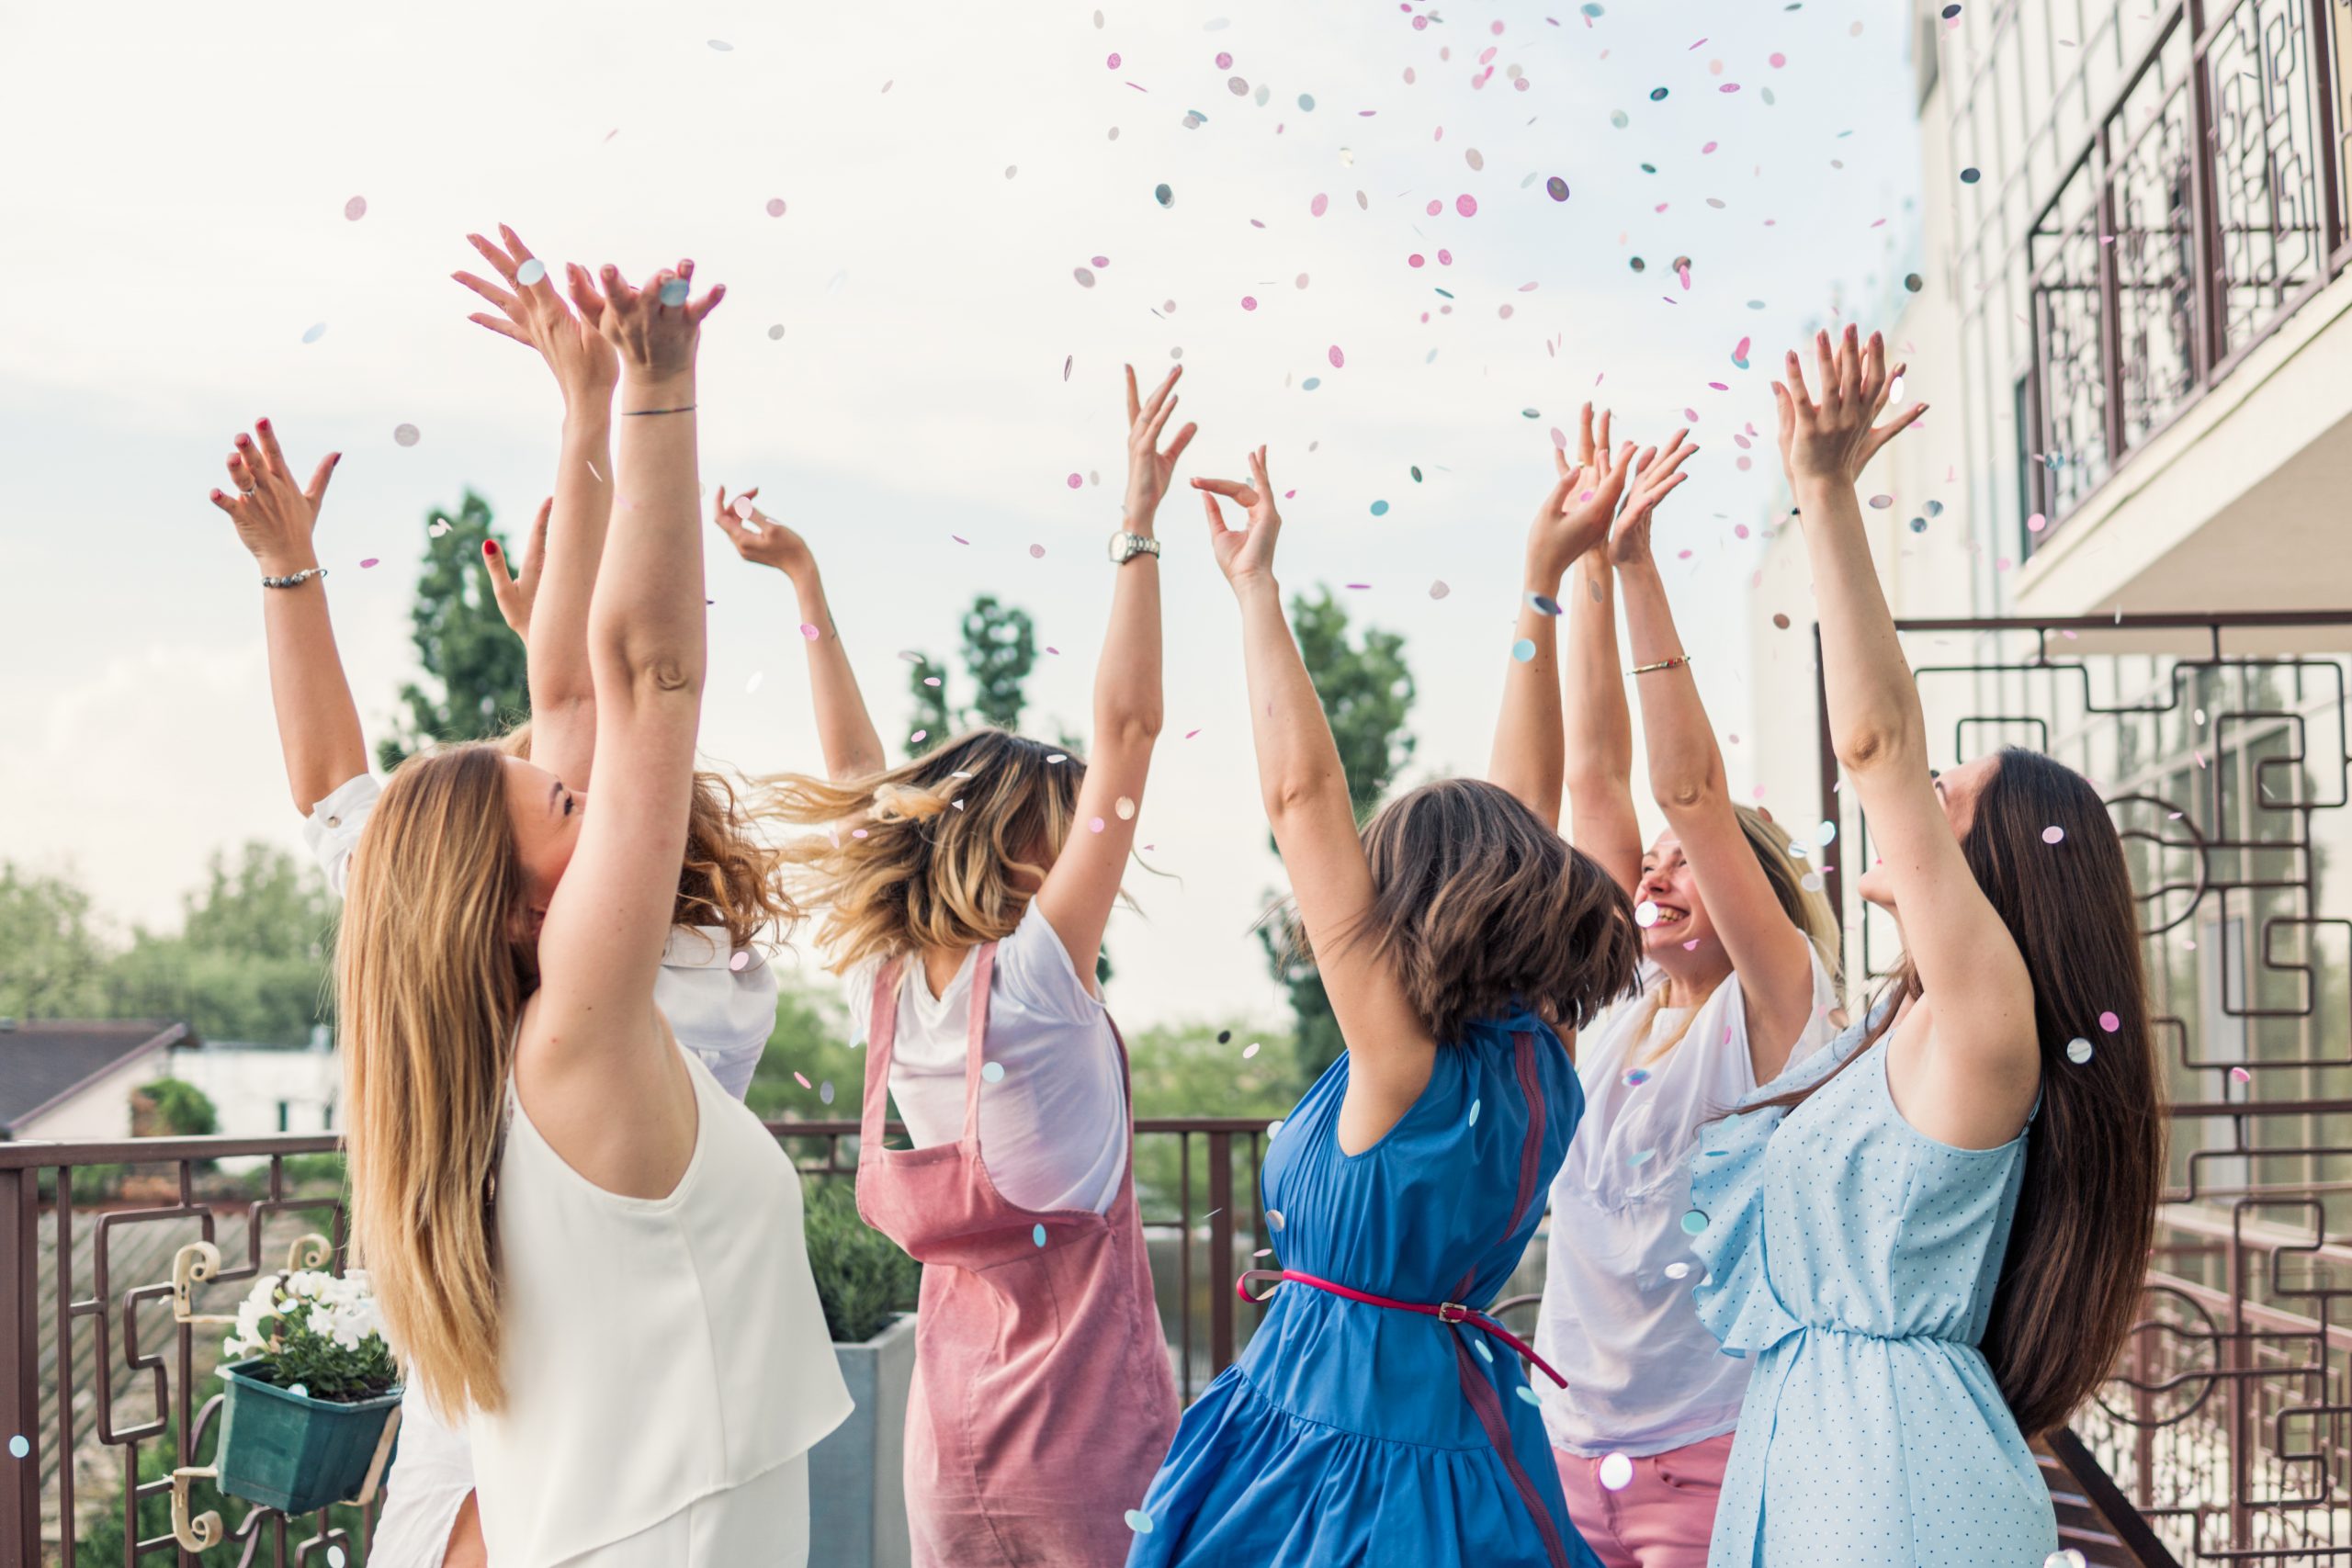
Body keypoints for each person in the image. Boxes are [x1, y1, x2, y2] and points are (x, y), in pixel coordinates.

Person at [209, 228, 825, 1568]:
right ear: (507, 908)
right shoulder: (579, 1030)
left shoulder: (496, 1053)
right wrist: (653, 397)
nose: (583, 789)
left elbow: (576, 694)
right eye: (557, 800)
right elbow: (641, 681)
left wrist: (589, 408)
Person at [1685, 328, 2165, 1566]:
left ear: (2003, 871)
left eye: (1952, 798)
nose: (1915, 798)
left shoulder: (1986, 1019)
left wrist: (1829, 496)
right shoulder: (1895, 1028)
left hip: (1892, 1493)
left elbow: (1877, 747)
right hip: (1819, 1463)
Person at [1125, 446, 1642, 1568]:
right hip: (1460, 1444)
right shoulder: (1540, 1048)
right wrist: (1537, 590)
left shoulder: (1397, 1053)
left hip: (1326, 1464)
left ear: (1407, 900)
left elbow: (1300, 791)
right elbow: (1527, 807)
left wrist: (1255, 586)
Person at [741, 366, 1193, 1566]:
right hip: (1085, 1449)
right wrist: (1135, 526)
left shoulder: (886, 989)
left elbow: (855, 776)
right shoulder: (1041, 978)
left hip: (949, 1442)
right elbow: (1132, 729)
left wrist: (805, 583)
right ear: (1027, 850)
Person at [1487, 410, 1842, 1566]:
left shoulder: (1775, 1008)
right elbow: (1594, 769)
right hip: (1567, 1440)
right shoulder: (1609, 1004)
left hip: (1712, 1446)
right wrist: (1586, 554)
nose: (1655, 865)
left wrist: (1636, 570)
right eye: (1654, 858)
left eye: (1687, 861)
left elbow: (1686, 791)